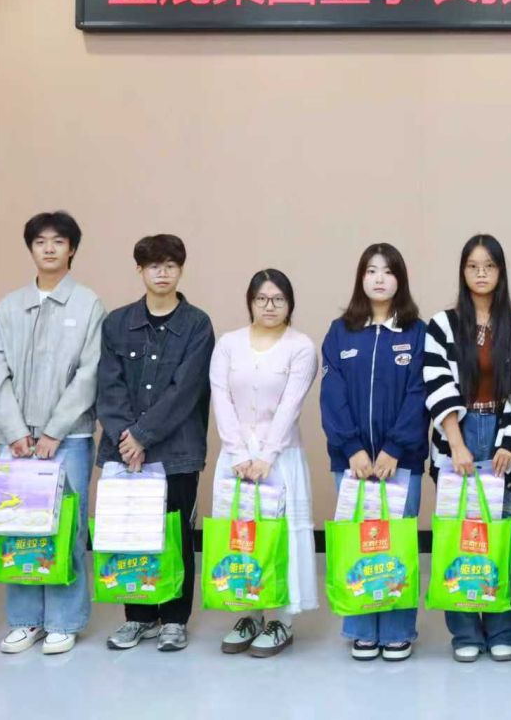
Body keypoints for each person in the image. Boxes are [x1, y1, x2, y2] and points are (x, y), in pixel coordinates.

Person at [0, 211, 105, 656]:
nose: (49, 248)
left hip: (68, 438)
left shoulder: (88, 304)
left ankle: (64, 620)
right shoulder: (9, 306)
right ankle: (24, 620)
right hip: (16, 441)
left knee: (66, 527)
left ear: (72, 249)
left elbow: (90, 373)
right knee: (17, 526)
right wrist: (15, 431)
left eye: (58, 241)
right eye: (40, 241)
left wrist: (54, 430)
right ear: (31, 248)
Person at [97, 233, 216, 653]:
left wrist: (143, 435)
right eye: (153, 266)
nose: (162, 273)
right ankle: (139, 617)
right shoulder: (116, 323)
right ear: (140, 270)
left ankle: (175, 619)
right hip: (125, 451)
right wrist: (126, 438)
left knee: (175, 535)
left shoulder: (197, 324)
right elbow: (108, 386)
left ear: (180, 270)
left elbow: (186, 389)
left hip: (177, 452)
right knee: (130, 533)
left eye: (170, 265)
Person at [424, 234, 511, 662]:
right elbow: (436, 383)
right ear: (463, 271)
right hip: (458, 435)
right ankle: (465, 633)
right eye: (473, 266)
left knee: (506, 540)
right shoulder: (443, 324)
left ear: (501, 271)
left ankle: (505, 629)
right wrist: (456, 443)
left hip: (506, 437)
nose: (481, 273)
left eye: (489, 265)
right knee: (460, 537)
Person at [320, 243, 429, 661]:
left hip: (401, 462)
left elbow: (419, 393)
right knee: (360, 541)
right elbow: (331, 394)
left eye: (387, 271)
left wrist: (395, 448)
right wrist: (351, 448)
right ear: (360, 278)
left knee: (396, 543)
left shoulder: (416, 332)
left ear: (400, 279)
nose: (379, 278)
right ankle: (361, 628)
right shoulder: (340, 331)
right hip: (351, 463)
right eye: (371, 270)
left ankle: (398, 629)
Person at [212, 268, 321, 658]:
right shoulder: (228, 344)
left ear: (289, 303)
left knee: (281, 535)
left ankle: (281, 621)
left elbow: (291, 405)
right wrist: (239, 453)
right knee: (241, 536)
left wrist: (266, 456)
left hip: (280, 456)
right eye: (262, 299)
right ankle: (250, 614)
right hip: (235, 457)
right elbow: (221, 398)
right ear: (250, 302)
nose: (270, 306)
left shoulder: (301, 346)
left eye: (278, 299)